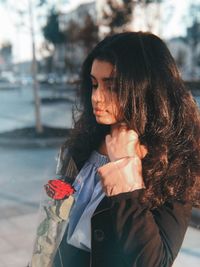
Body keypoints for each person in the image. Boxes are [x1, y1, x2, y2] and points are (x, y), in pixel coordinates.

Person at [31, 31, 200, 267]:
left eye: (111, 86)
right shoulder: (85, 141)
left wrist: (124, 171)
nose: (97, 97)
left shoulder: (174, 163)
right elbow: (56, 229)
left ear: (146, 88)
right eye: (94, 84)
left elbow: (153, 261)